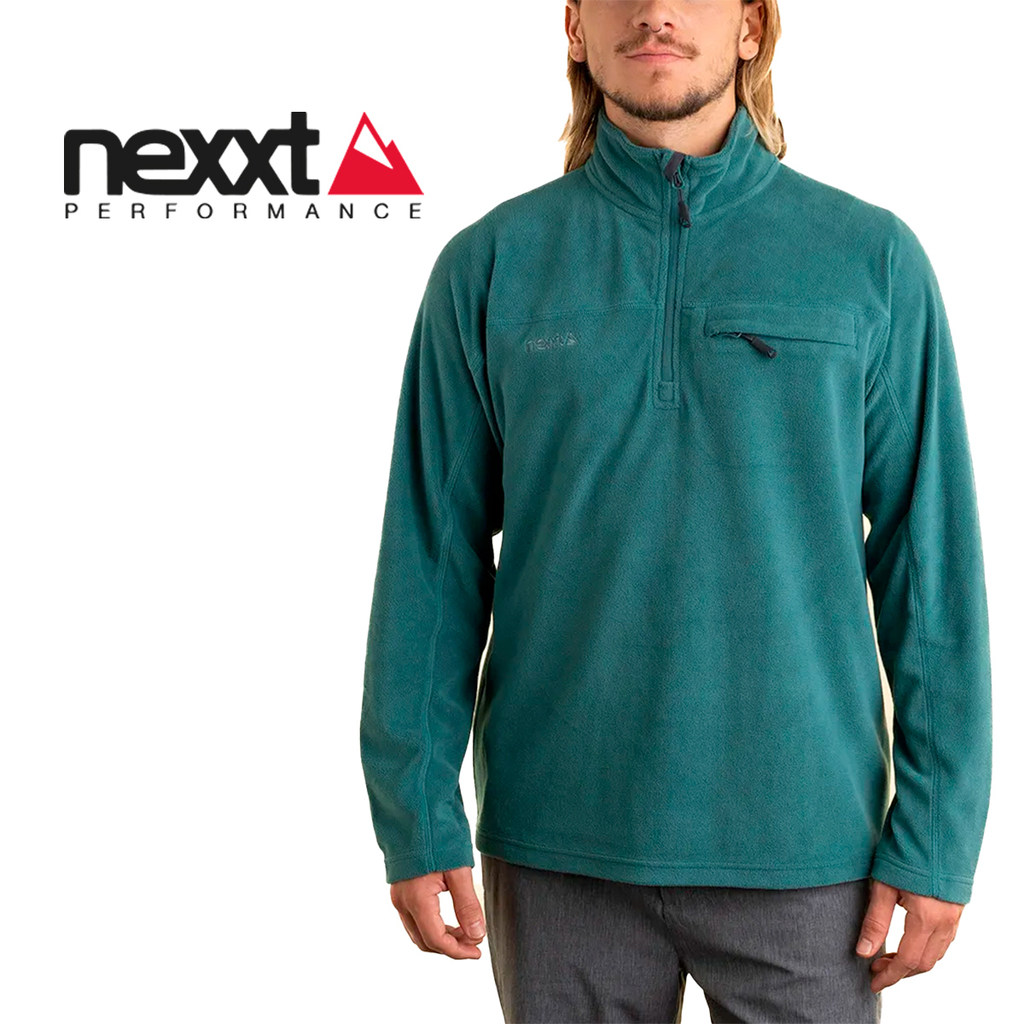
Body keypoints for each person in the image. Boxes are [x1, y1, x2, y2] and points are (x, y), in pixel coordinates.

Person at [359, 1, 992, 1021]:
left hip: (808, 851)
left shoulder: (870, 260)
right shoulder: (492, 266)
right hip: (557, 847)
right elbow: (431, 562)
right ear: (574, 26)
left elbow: (934, 569)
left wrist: (939, 832)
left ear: (751, 26)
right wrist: (416, 811)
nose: (655, 10)